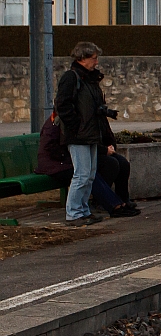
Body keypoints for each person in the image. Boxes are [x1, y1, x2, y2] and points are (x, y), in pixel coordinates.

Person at [54, 41, 118, 226]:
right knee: (81, 174)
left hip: (88, 132)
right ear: (82, 59)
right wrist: (76, 126)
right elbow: (63, 105)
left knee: (89, 174)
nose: (96, 62)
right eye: (93, 58)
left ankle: (82, 210)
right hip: (79, 134)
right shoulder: (72, 77)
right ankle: (74, 213)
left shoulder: (88, 79)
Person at [35, 113, 139, 218]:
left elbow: (101, 136)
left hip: (69, 159)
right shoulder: (60, 121)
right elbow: (56, 149)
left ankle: (119, 201)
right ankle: (111, 205)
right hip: (58, 164)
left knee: (118, 163)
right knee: (88, 172)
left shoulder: (86, 117)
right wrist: (103, 150)